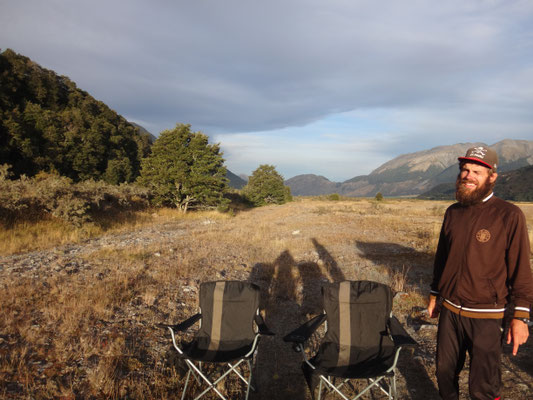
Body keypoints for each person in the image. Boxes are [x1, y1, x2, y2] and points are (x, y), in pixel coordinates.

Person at [427, 145, 533, 400]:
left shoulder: (509, 215)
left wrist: (521, 317)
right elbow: (442, 258)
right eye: (465, 170)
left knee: (482, 383)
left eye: (477, 171)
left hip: (488, 314)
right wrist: (434, 294)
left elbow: (521, 269)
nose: (468, 176)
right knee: (444, 372)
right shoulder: (453, 212)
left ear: (492, 176)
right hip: (450, 311)